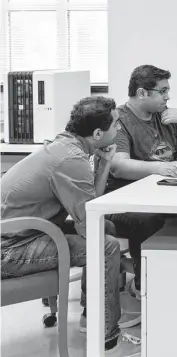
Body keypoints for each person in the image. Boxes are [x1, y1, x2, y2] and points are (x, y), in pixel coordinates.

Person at [1, 96, 142, 356]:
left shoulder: (64, 146)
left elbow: (92, 209)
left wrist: (105, 163)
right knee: (106, 246)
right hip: (10, 249)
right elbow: (90, 224)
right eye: (116, 125)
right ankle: (107, 339)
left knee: (106, 229)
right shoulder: (70, 160)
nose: (120, 130)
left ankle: (92, 315)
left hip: (23, 234)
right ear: (98, 133)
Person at [105, 64, 177, 301]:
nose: (168, 96)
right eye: (163, 91)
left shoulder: (163, 115)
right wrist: (160, 168)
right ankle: (143, 286)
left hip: (161, 194)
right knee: (149, 220)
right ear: (142, 93)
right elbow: (118, 165)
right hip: (123, 200)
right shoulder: (119, 120)